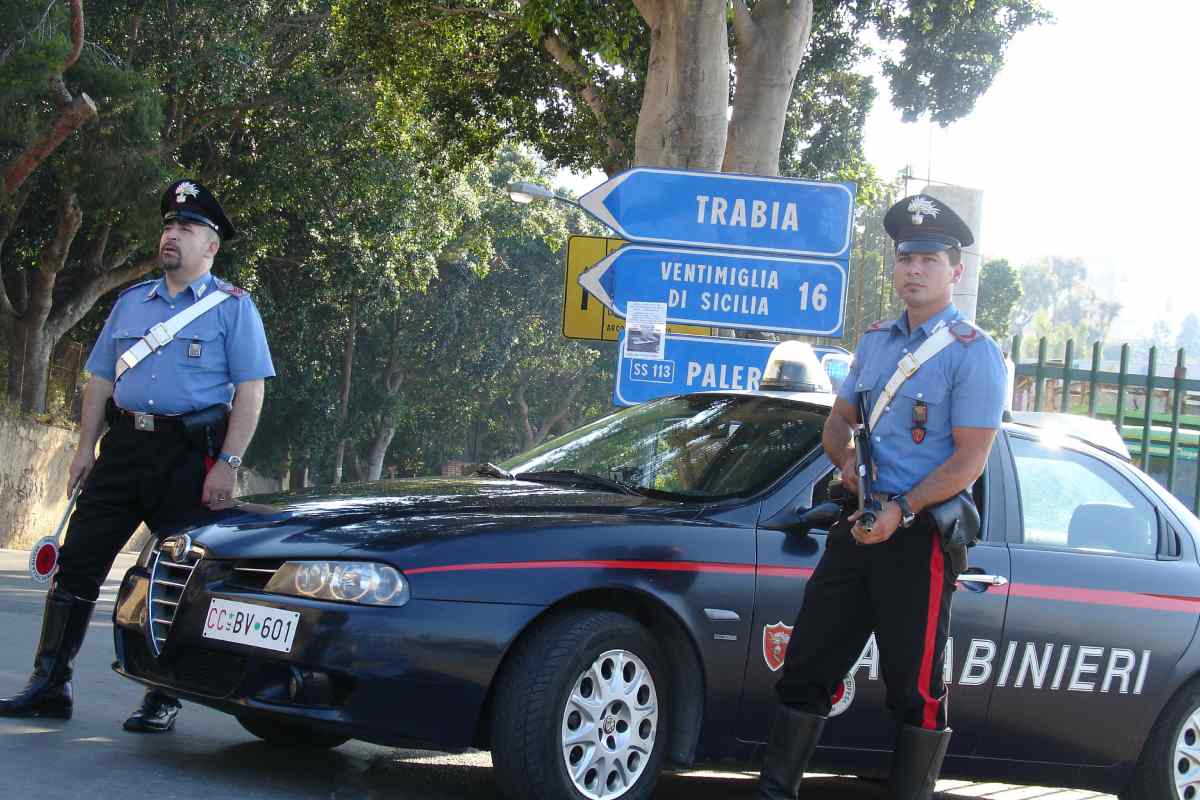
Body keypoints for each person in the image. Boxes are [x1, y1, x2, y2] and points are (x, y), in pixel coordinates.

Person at [0, 179, 274, 733]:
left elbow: (251, 391)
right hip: (122, 450)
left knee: (175, 577)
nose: (172, 235)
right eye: (169, 226)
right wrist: (83, 448)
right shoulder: (130, 303)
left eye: (187, 228)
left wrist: (229, 463)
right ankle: (51, 682)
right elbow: (100, 379)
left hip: (186, 455)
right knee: (77, 563)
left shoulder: (233, 310)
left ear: (211, 247)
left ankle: (162, 695)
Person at [757, 194, 1007, 799]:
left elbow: (971, 457)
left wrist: (903, 508)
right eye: (906, 257)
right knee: (808, 668)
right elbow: (838, 424)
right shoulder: (874, 341)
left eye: (930, 259)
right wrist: (848, 467)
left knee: (914, 687)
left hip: (918, 540)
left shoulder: (975, 354)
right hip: (859, 526)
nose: (914, 269)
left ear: (956, 271)